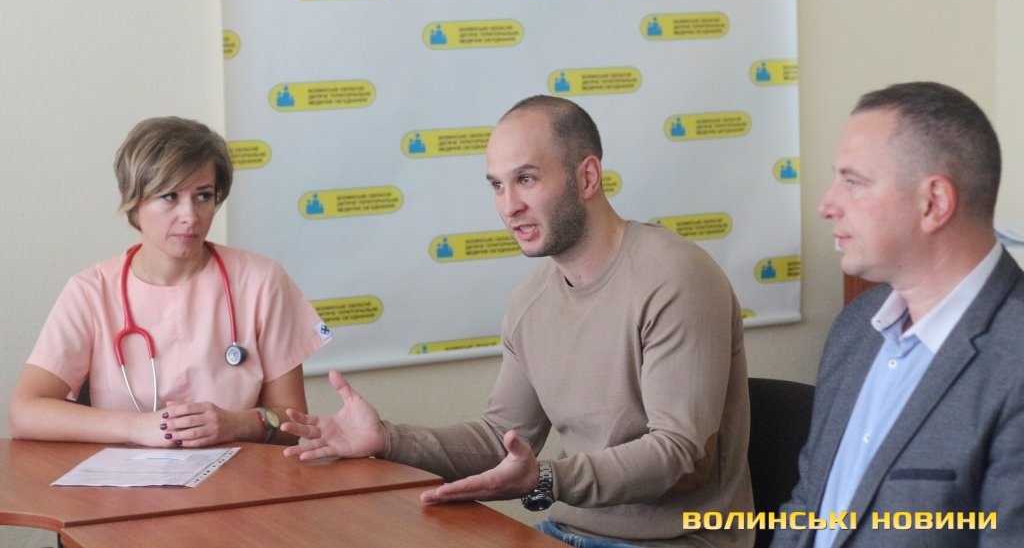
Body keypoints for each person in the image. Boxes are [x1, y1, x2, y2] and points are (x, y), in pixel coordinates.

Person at [283, 96, 754, 548]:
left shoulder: (675, 277)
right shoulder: (531, 299)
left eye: (526, 179)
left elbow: (678, 451)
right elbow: (501, 437)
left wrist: (546, 479)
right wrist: (386, 439)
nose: (509, 206)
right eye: (497, 185)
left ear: (587, 177)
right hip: (563, 532)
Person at [772, 82, 1024, 548]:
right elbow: (808, 505)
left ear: (933, 203)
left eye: (853, 182)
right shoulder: (856, 326)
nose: (826, 206)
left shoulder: (1015, 359)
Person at [8, 116, 332, 447]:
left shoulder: (261, 281)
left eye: (203, 196)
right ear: (132, 198)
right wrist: (136, 428)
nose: (190, 216)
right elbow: (24, 411)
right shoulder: (91, 291)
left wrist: (237, 424)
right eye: (170, 196)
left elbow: (292, 423)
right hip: (125, 477)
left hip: (238, 473)